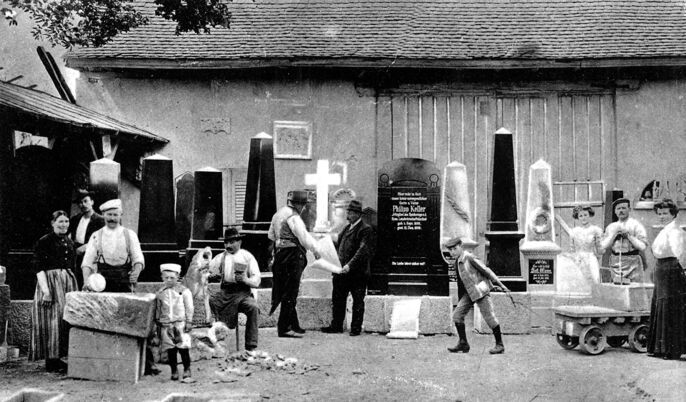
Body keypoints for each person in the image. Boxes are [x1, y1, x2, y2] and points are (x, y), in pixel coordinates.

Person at [29, 210, 78, 372]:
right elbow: (38, 268)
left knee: (65, 319)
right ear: (53, 223)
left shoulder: (70, 242)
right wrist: (46, 291)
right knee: (52, 320)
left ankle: (59, 357)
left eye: (66, 222)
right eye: (60, 222)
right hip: (50, 283)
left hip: (67, 283)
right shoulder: (44, 241)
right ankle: (51, 360)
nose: (64, 225)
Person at [268, 189, 321, 338]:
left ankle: (294, 324)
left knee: (285, 289)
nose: (303, 207)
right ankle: (284, 327)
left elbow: (271, 236)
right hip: (292, 256)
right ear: (298, 204)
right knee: (291, 291)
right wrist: (316, 250)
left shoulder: (278, 214)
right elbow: (303, 237)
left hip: (280, 254)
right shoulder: (294, 217)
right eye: (303, 205)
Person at [445, 237, 510, 355]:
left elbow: (486, 270)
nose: (453, 252)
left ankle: (500, 345)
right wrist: (461, 300)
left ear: (461, 246)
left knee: (489, 318)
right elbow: (461, 283)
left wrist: (501, 284)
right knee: (457, 316)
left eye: (455, 248)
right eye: (450, 250)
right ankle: (463, 343)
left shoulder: (469, 257)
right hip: (469, 294)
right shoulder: (456, 262)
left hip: (481, 291)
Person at [321, 200, 373, 336]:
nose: (347, 214)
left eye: (350, 212)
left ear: (357, 214)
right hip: (341, 271)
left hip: (357, 273)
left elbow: (362, 250)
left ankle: (355, 328)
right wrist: (327, 240)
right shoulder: (347, 227)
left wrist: (349, 265)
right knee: (338, 299)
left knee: (357, 301)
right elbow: (339, 241)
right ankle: (336, 325)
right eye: (347, 211)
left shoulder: (365, 229)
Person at [208, 227, 261, 351]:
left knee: (253, 307)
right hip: (226, 292)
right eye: (226, 242)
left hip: (243, 293)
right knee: (213, 300)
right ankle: (220, 340)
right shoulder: (220, 257)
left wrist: (245, 280)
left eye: (232, 242)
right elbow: (207, 270)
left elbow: (257, 279)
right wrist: (212, 275)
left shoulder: (247, 257)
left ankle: (251, 346)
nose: (228, 245)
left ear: (239, 242)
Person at [647, 199, 686, 360]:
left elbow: (681, 254)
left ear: (673, 214)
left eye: (665, 213)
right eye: (660, 213)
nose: (662, 216)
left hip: (671, 270)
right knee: (661, 304)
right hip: (662, 269)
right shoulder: (665, 230)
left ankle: (671, 349)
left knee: (670, 306)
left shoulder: (675, 231)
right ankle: (660, 348)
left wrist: (683, 270)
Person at [81, 199, 144, 292]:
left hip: (124, 280)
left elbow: (137, 257)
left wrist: (136, 272)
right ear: (103, 215)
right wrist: (86, 281)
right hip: (102, 282)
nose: (112, 218)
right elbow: (87, 261)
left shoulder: (130, 234)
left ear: (120, 216)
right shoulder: (96, 235)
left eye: (115, 215)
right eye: (109, 214)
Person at [155, 263, 194, 380]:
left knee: (183, 348)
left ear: (178, 277)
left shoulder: (184, 292)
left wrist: (189, 321)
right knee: (171, 350)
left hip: (180, 324)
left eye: (172, 278)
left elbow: (189, 307)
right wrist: (158, 322)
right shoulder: (161, 293)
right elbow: (158, 308)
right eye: (166, 277)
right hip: (167, 325)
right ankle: (174, 371)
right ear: (162, 278)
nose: (169, 280)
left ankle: (187, 369)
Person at [599, 198, 649, 284]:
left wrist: (629, 237)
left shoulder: (636, 225)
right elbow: (603, 246)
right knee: (617, 288)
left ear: (629, 209)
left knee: (634, 288)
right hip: (616, 262)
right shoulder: (611, 227)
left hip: (633, 262)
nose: (621, 211)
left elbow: (642, 246)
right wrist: (614, 236)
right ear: (615, 211)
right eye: (618, 209)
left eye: (623, 208)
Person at [68, 189, 105, 289]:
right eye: (80, 202)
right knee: (76, 282)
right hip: (76, 255)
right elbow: (68, 235)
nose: (83, 204)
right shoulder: (75, 219)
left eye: (85, 201)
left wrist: (87, 246)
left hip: (92, 256)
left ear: (92, 202)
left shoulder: (100, 220)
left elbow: (103, 239)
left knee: (90, 283)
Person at [569, 204, 603, 283]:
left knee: (594, 279)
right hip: (579, 260)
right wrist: (575, 259)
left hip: (591, 258)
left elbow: (599, 248)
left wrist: (595, 258)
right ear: (577, 217)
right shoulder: (574, 231)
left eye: (585, 215)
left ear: (589, 215)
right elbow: (572, 249)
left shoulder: (596, 230)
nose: (583, 218)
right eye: (580, 216)